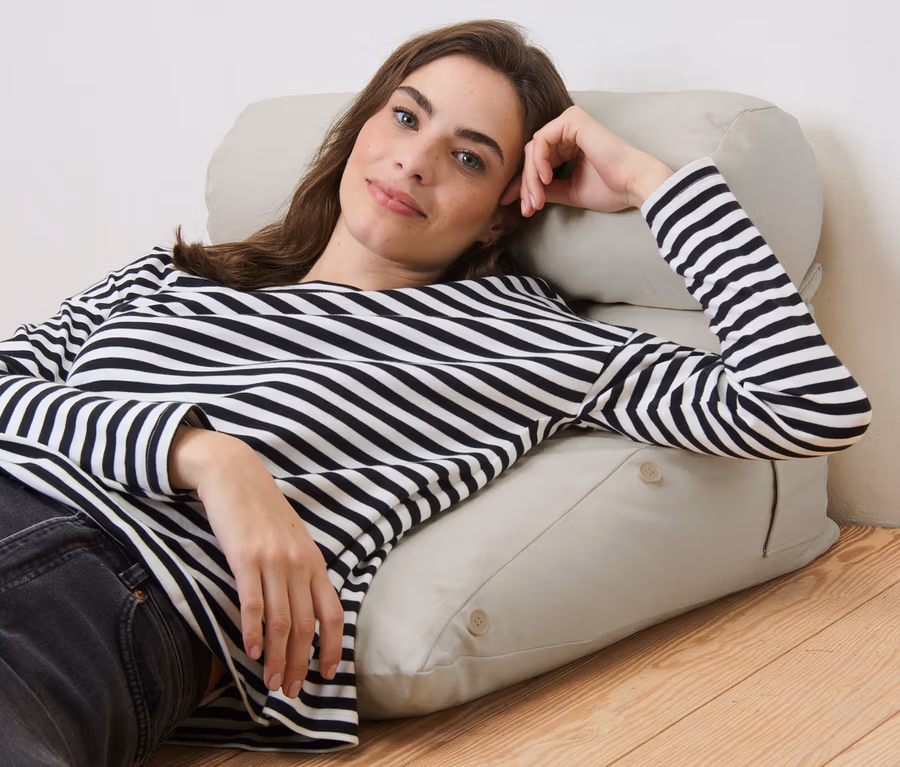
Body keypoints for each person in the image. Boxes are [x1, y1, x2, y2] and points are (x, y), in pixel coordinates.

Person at [0, 17, 871, 766]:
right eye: (405, 116)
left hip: (102, 580)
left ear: (502, 209)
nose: (414, 161)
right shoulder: (175, 277)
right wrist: (201, 454)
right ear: (362, 125)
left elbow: (808, 404)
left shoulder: (525, 341)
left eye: (466, 156)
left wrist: (654, 185)